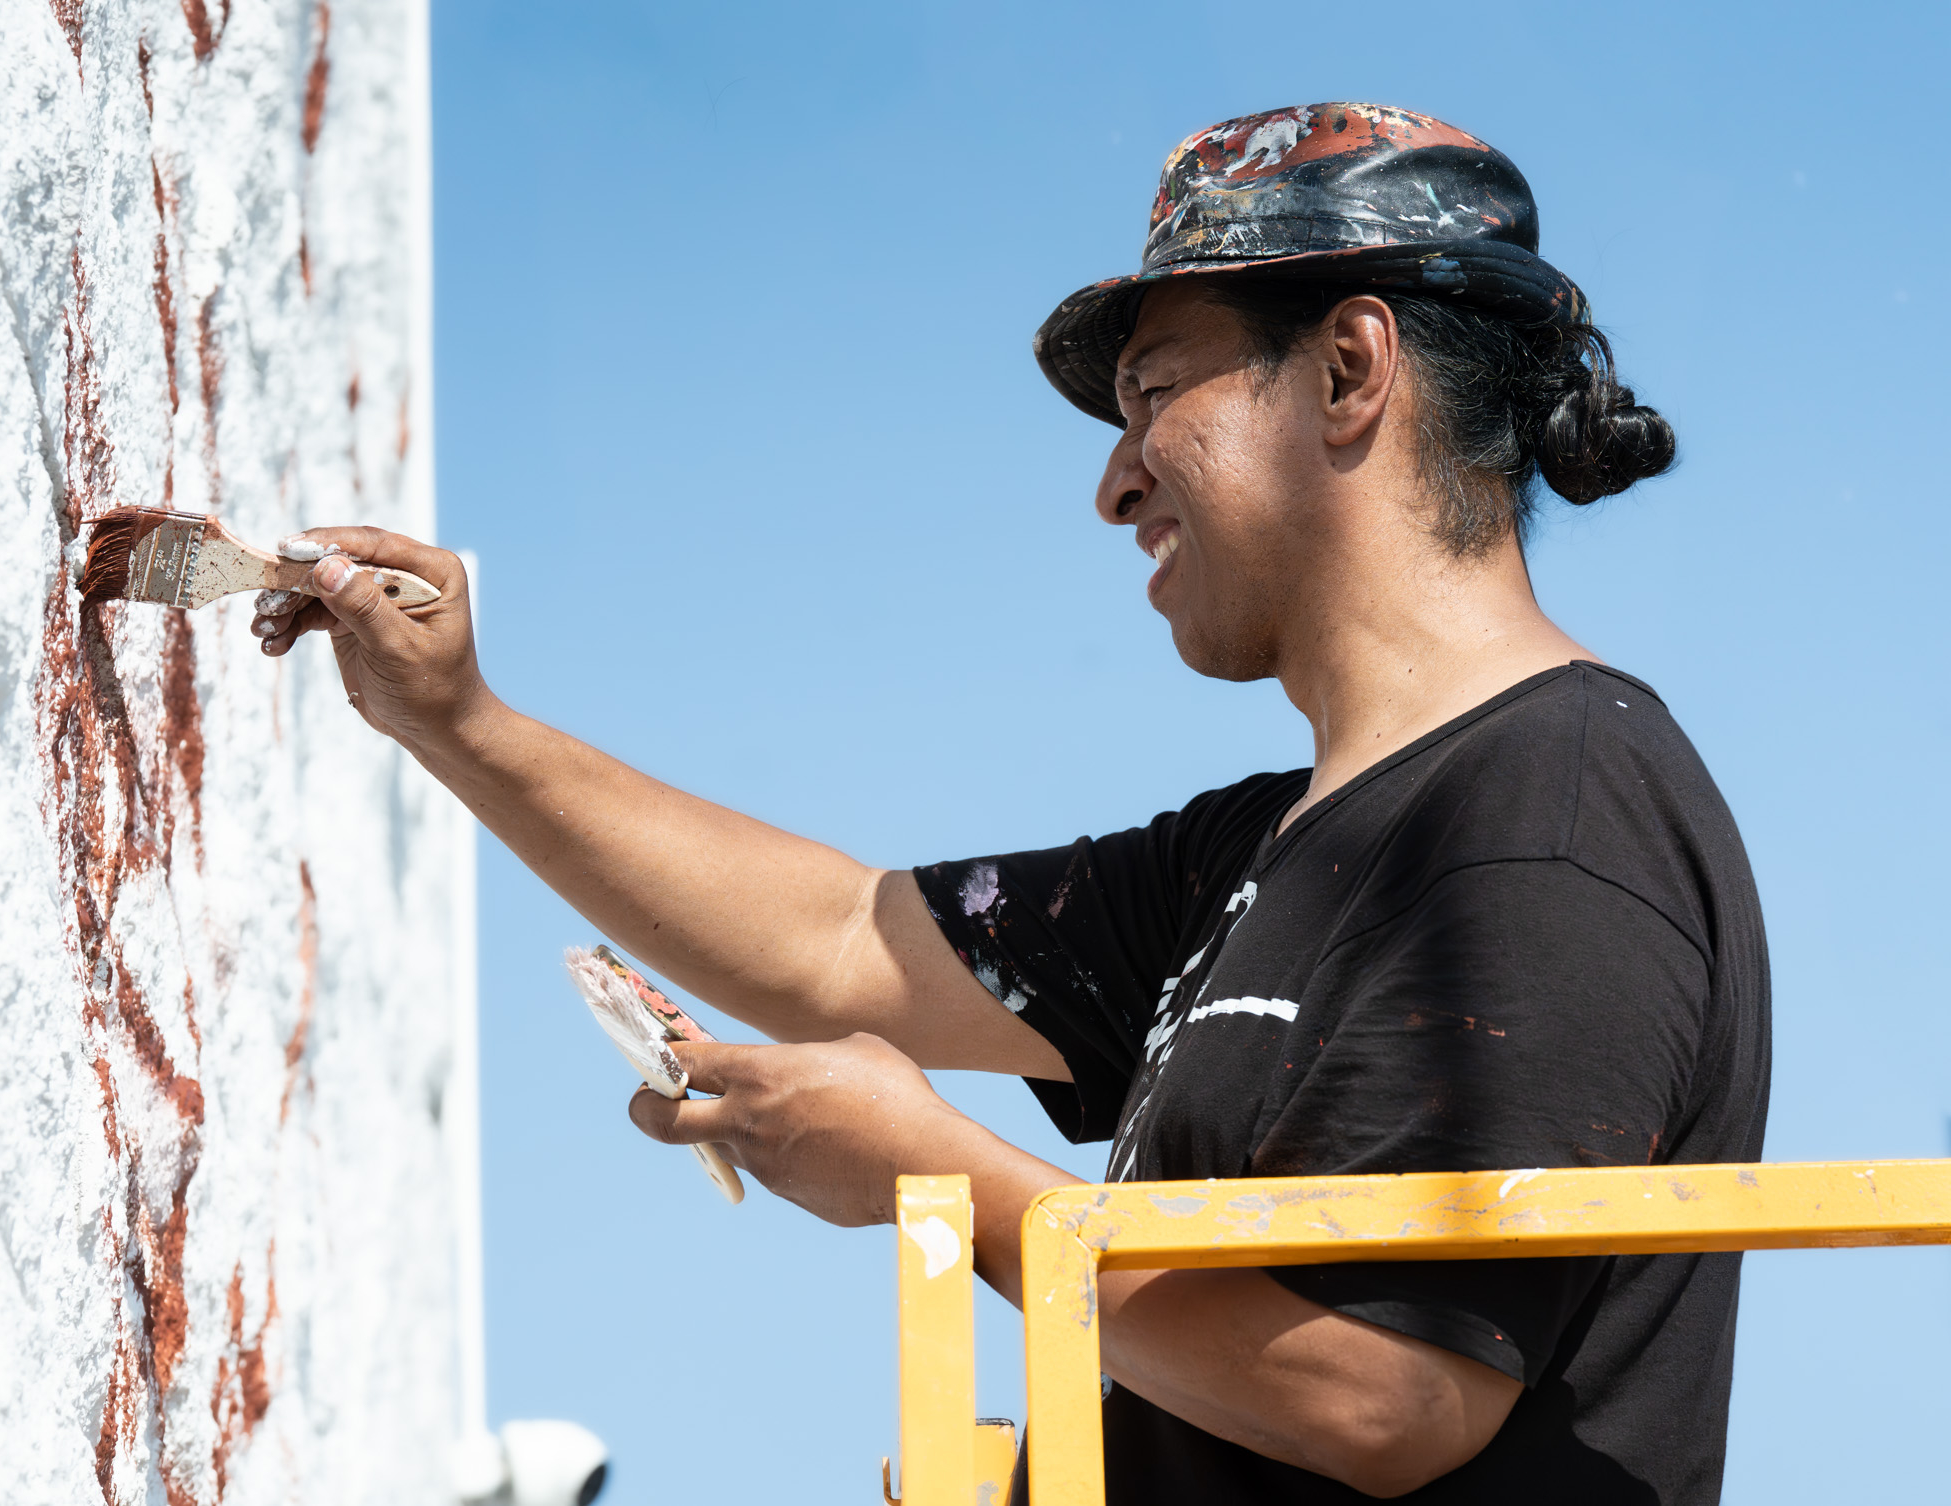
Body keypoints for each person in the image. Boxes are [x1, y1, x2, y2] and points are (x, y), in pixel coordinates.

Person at [252, 103, 1769, 1503]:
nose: (1115, 482)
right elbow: (844, 942)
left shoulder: (1551, 815)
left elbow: (1386, 1393)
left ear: (1350, 369)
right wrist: (458, 721)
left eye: (1154, 392)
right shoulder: (1261, 852)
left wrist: (942, 1176)